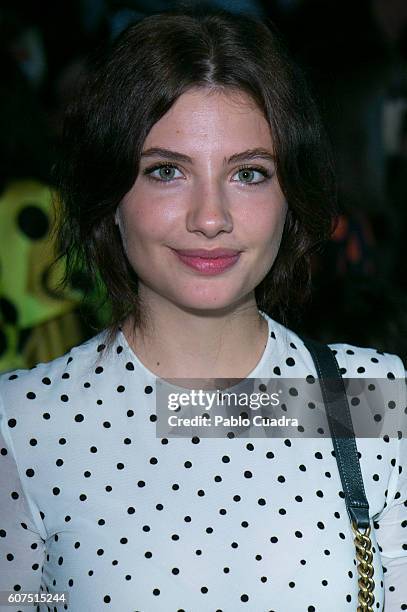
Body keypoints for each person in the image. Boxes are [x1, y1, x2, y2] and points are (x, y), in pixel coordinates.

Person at [0, 8, 406, 612]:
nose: (210, 217)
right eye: (166, 172)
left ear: (289, 196)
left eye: (248, 173)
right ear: (111, 195)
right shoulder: (22, 424)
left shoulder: (373, 398)